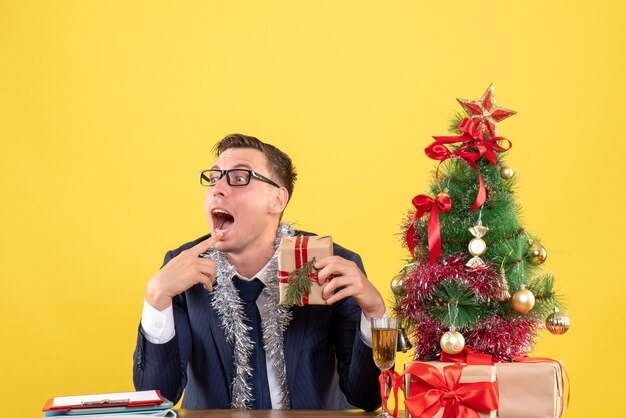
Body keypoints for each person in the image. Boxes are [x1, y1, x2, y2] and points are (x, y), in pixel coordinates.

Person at [133, 134, 385, 410]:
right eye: (214, 178)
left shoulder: (331, 265)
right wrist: (156, 298)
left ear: (277, 199)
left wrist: (375, 315)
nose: (217, 188)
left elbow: (368, 398)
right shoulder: (182, 269)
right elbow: (155, 400)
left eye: (239, 178)